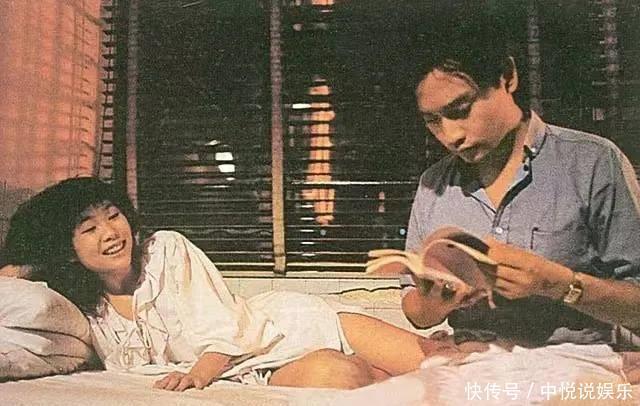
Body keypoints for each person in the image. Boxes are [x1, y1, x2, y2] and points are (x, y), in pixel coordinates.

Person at [0, 177, 460, 391]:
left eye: (113, 216)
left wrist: (198, 375)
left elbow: (222, 325)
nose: (110, 233)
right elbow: (16, 288)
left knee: (452, 369)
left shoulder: (165, 250)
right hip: (255, 369)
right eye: (88, 228)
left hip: (283, 327)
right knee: (346, 378)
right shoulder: (81, 308)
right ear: (67, 249)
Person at [401, 9, 640, 348]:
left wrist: (557, 284)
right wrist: (435, 302)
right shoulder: (434, 184)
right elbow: (417, 313)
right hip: (467, 361)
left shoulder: (593, 162)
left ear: (508, 77)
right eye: (432, 121)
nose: (451, 136)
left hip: (569, 362)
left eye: (461, 110)